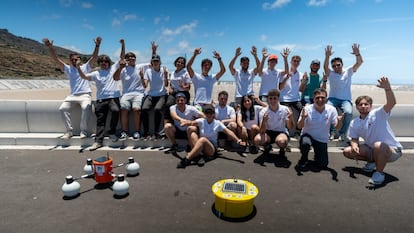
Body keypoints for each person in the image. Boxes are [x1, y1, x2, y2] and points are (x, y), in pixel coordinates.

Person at [343, 77, 402, 185]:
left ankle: (379, 174)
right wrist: (354, 145)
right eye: (360, 104)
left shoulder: (378, 113)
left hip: (392, 150)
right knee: (347, 151)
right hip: (373, 149)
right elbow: (354, 138)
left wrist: (388, 89)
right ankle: (372, 162)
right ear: (357, 107)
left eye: (366, 104)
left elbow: (391, 103)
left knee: (378, 145)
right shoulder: (354, 122)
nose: (363, 106)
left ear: (370, 106)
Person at [42, 37, 101, 139]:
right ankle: (69, 131)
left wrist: (97, 45)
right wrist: (50, 47)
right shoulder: (68, 69)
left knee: (86, 107)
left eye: (76, 59)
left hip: (85, 95)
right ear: (70, 60)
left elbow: (94, 57)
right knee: (62, 108)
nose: (74, 61)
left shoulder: (85, 67)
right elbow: (55, 59)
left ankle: (84, 131)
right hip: (72, 95)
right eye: (72, 59)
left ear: (80, 60)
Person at [177, 104, 246, 169]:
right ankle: (199, 156)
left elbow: (229, 132)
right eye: (207, 113)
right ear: (204, 114)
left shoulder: (217, 123)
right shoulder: (201, 121)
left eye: (211, 113)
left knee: (203, 139)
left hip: (211, 149)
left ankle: (187, 159)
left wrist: (238, 140)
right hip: (201, 146)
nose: (209, 115)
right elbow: (192, 123)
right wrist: (185, 122)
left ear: (214, 114)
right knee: (192, 134)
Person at [76, 54, 121, 151]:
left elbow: (121, 57)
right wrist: (78, 67)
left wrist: (122, 45)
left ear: (109, 63)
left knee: (116, 110)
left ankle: (111, 132)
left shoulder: (113, 68)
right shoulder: (96, 73)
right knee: (100, 120)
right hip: (101, 99)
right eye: (101, 62)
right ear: (99, 63)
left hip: (113, 97)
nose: (103, 63)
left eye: (105, 61)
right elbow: (84, 76)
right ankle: (98, 142)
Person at [113, 40, 155, 141]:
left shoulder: (140, 67)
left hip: (139, 94)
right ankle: (125, 132)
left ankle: (137, 131)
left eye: (133, 57)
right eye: (129, 57)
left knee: (136, 110)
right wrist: (120, 68)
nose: (131, 58)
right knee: (123, 110)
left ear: (135, 59)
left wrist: (153, 51)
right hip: (126, 94)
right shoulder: (123, 69)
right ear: (126, 60)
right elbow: (115, 78)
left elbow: (152, 63)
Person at [323, 44, 363, 141]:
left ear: (342, 64)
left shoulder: (348, 71)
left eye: (338, 65)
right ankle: (331, 132)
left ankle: (343, 133)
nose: (336, 67)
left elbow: (359, 62)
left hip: (346, 99)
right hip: (332, 99)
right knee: (328, 110)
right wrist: (327, 56)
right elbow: (325, 67)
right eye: (334, 66)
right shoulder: (331, 74)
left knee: (349, 113)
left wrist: (357, 54)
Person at [296, 88, 343, 169]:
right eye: (317, 98)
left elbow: (337, 127)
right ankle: (304, 158)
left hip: (321, 139)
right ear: (313, 99)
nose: (320, 99)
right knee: (305, 143)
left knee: (322, 164)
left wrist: (339, 121)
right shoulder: (307, 109)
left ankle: (317, 155)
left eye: (322, 97)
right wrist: (303, 118)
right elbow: (299, 126)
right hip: (308, 136)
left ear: (326, 98)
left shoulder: (331, 109)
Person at [254, 89, 293, 156]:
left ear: (278, 99)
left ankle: (282, 149)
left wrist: (290, 118)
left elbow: (290, 127)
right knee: (257, 140)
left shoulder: (285, 109)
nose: (272, 101)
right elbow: (261, 131)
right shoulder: (263, 111)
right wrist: (264, 121)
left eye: (275, 98)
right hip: (268, 132)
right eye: (270, 98)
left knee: (281, 141)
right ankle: (267, 146)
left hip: (281, 131)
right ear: (268, 99)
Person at [141, 51, 168, 140]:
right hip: (151, 95)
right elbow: (145, 86)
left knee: (157, 109)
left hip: (161, 95)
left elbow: (167, 85)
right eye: (154, 61)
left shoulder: (163, 70)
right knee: (144, 109)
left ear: (160, 62)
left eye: (157, 61)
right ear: (151, 62)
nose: (155, 62)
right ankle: (146, 132)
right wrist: (141, 77)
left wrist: (166, 76)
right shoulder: (148, 71)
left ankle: (156, 132)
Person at [279, 54, 305, 137]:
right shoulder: (283, 73)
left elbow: (301, 89)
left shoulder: (300, 74)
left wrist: (304, 81)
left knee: (304, 111)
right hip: (284, 99)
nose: (296, 63)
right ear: (291, 62)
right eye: (294, 61)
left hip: (296, 99)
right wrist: (287, 77)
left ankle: (298, 131)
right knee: (286, 114)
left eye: (298, 61)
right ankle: (284, 132)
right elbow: (280, 87)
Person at [163, 56, 191, 126]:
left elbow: (188, 87)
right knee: (168, 105)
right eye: (178, 62)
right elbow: (170, 84)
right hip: (174, 93)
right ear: (175, 63)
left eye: (182, 63)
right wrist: (170, 89)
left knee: (181, 106)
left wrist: (183, 87)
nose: (180, 64)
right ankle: (167, 124)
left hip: (183, 92)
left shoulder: (185, 73)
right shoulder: (173, 73)